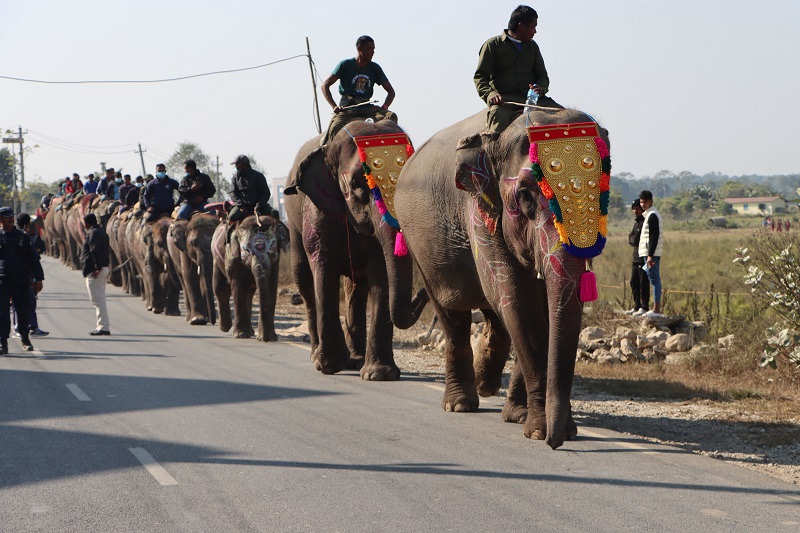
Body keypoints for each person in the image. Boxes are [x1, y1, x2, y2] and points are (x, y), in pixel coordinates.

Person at [473, 5, 562, 137]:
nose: (535, 31)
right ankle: (488, 155)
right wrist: (490, 94)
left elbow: (542, 75)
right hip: (505, 101)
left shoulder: (533, 47)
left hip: (533, 99)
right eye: (533, 27)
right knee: (496, 130)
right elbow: (480, 76)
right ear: (521, 26)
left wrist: (541, 88)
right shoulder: (492, 45)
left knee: (564, 115)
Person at [319, 35, 397, 146]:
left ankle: (390, 148)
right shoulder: (345, 65)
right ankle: (332, 157)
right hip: (347, 109)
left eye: (374, 49)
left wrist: (384, 106)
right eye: (370, 49)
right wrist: (334, 106)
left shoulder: (375, 68)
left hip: (367, 108)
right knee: (335, 127)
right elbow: (325, 85)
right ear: (360, 48)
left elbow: (391, 92)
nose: (373, 52)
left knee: (391, 117)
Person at [0, 207, 44, 354]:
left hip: (21, 279)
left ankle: (25, 339)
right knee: (2, 313)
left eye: (11, 216)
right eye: (6, 217)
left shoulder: (22, 237)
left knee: (23, 311)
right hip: (3, 280)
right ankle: (3, 342)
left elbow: (33, 259)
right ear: (1, 219)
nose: (10, 219)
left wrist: (38, 278)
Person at [12, 213, 48, 338]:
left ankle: (32, 326)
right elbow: (33, 258)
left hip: (26, 275)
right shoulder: (21, 236)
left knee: (30, 301)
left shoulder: (22, 236)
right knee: (18, 302)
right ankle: (18, 328)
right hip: (18, 275)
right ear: (27, 225)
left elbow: (33, 257)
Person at [80, 213, 111, 336]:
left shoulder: (93, 234)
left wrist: (97, 267)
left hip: (96, 271)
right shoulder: (101, 232)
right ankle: (101, 325)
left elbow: (94, 251)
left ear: (87, 223)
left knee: (98, 301)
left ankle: (103, 327)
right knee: (99, 300)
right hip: (103, 268)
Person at [638, 190, 664, 317]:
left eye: (646, 202)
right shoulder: (648, 215)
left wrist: (650, 255)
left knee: (654, 279)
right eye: (642, 202)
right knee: (651, 278)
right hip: (646, 252)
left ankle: (656, 309)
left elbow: (654, 236)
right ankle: (652, 308)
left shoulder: (653, 215)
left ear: (651, 201)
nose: (643, 204)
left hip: (651, 254)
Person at [228, 155, 271, 223]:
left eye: (237, 165)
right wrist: (241, 206)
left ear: (243, 165)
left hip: (258, 206)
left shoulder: (258, 176)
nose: (236, 167)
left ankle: (278, 232)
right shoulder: (235, 177)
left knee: (274, 213)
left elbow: (266, 193)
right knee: (232, 217)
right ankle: (230, 233)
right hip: (242, 206)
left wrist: (259, 205)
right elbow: (232, 192)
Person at [626, 200, 650, 316]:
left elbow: (636, 239)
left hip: (643, 256)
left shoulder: (645, 222)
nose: (636, 211)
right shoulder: (636, 223)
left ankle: (644, 307)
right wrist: (634, 239)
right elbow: (631, 239)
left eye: (638, 209)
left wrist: (634, 239)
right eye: (634, 209)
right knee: (633, 282)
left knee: (643, 282)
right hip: (635, 257)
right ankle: (636, 306)